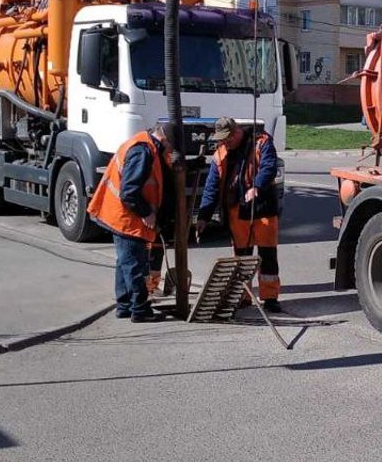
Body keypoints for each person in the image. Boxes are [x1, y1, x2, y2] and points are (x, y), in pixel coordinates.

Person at [88, 123, 177, 322]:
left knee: (125, 263)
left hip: (122, 215)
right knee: (135, 265)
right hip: (127, 217)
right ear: (164, 139)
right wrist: (146, 213)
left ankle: (125, 306)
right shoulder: (142, 151)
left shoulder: (146, 146)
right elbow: (129, 191)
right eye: (171, 147)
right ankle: (140, 310)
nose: (170, 152)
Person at [194, 117, 282, 313]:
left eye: (227, 139)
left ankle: (270, 297)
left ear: (236, 133)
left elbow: (269, 167)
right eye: (221, 140)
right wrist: (204, 216)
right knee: (241, 257)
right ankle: (243, 296)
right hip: (236, 210)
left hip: (263, 208)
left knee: (268, 255)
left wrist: (256, 186)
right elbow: (212, 187)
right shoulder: (220, 153)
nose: (224, 143)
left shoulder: (262, 142)